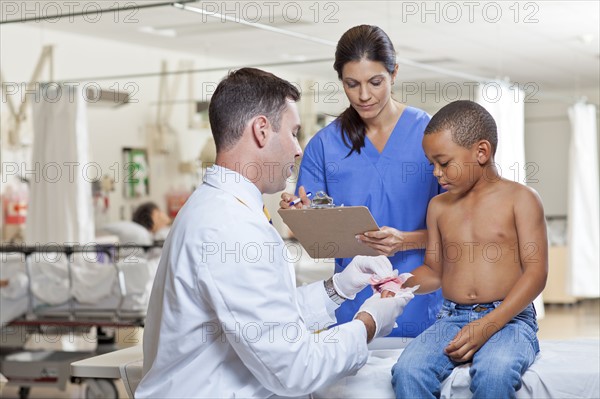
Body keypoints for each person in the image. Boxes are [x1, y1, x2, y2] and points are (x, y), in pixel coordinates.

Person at [135, 67, 413, 398]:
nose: (298, 149)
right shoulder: (232, 228)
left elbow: (264, 319)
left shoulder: (218, 209)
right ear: (262, 131)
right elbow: (296, 370)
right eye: (293, 133)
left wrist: (338, 288)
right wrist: (370, 322)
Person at [281, 25, 442, 337]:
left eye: (375, 82)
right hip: (353, 317)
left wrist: (406, 240)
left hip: (422, 311)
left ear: (394, 73)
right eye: (352, 84)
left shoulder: (431, 136)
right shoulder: (324, 146)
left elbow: (460, 229)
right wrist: (302, 217)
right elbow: (321, 241)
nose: (364, 95)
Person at [391, 100, 548, 398]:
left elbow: (537, 272)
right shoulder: (438, 207)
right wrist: (399, 284)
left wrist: (489, 324)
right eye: (432, 165)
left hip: (509, 319)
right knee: (408, 371)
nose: (437, 173)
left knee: (495, 372)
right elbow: (434, 272)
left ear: (481, 152)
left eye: (444, 163)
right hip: (451, 318)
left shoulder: (521, 199)